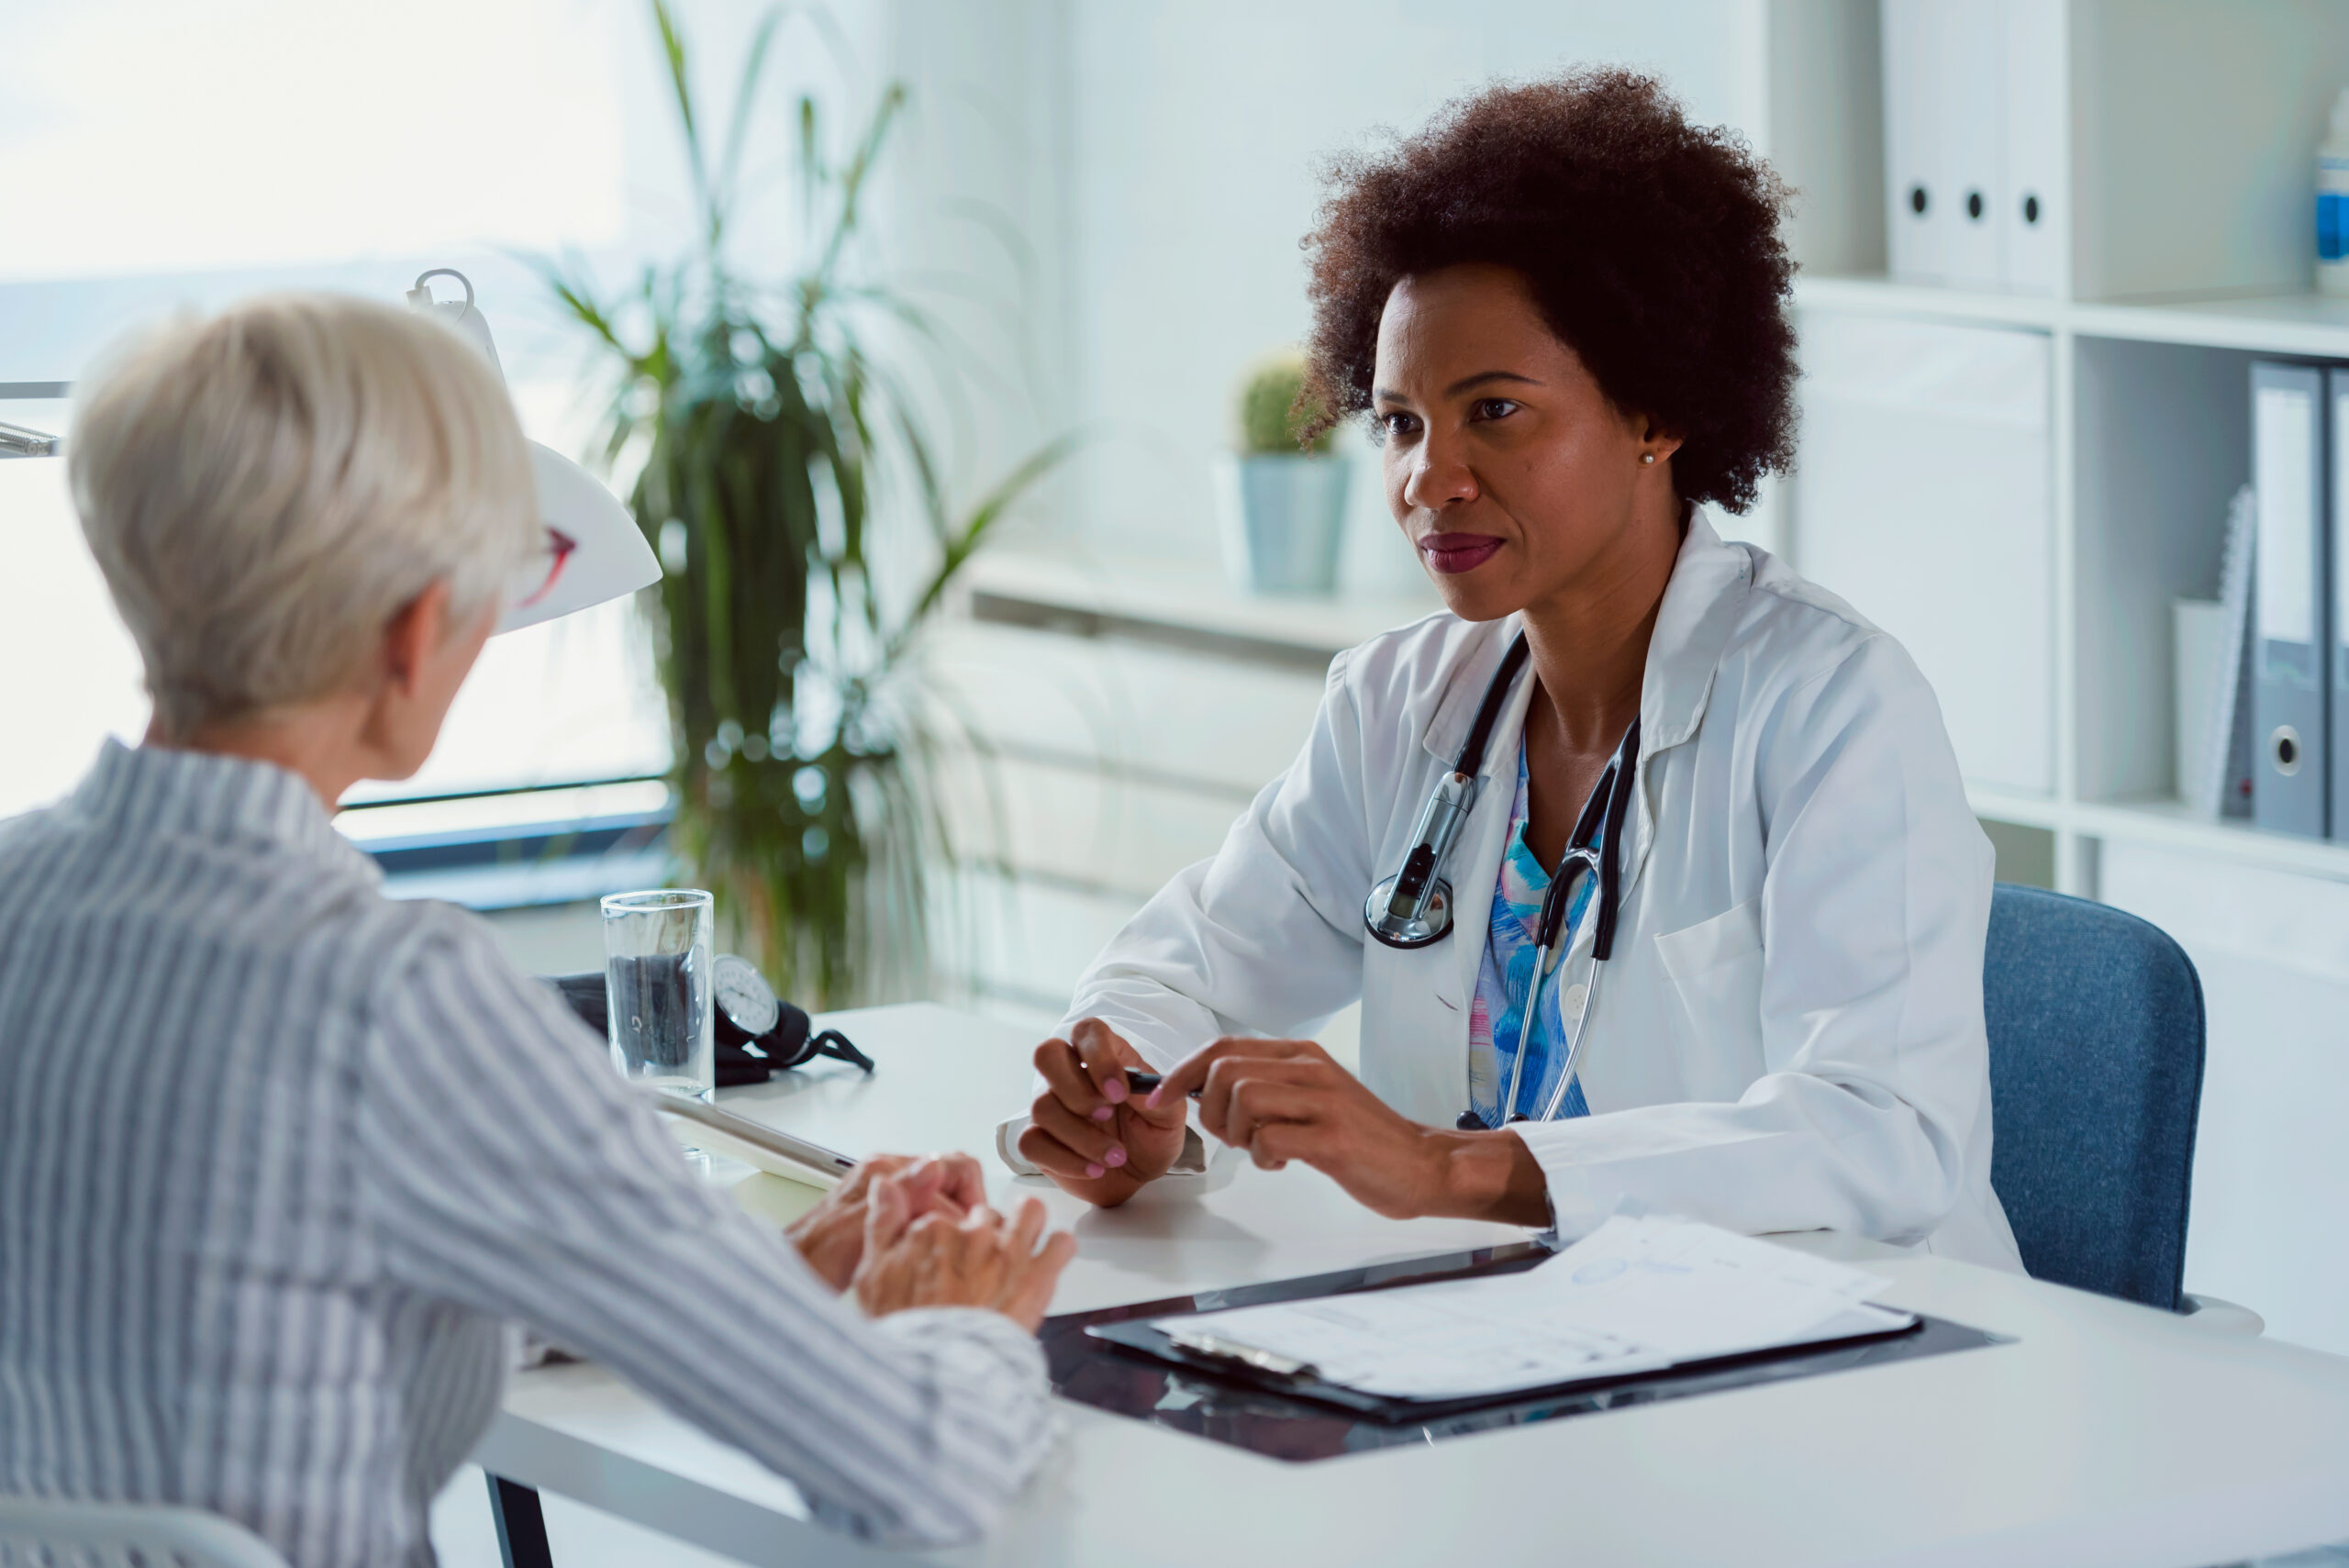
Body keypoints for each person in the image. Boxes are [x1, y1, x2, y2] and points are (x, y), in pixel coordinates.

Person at [0, 294, 1074, 1568]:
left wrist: (758, 1282)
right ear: (412, 633)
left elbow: (242, 1307)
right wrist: (969, 1323)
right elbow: (911, 1473)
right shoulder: (394, 996)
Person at [1006, 69, 2022, 1272]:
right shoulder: (1404, 705)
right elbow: (1194, 957)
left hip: (1843, 1364)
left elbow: (1882, 1136)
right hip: (1515, 1350)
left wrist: (1445, 1167)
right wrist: (1123, 1080)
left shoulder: (1833, 706)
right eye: (1399, 421)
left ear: (1656, 410)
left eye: (1493, 410)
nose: (1429, 478)